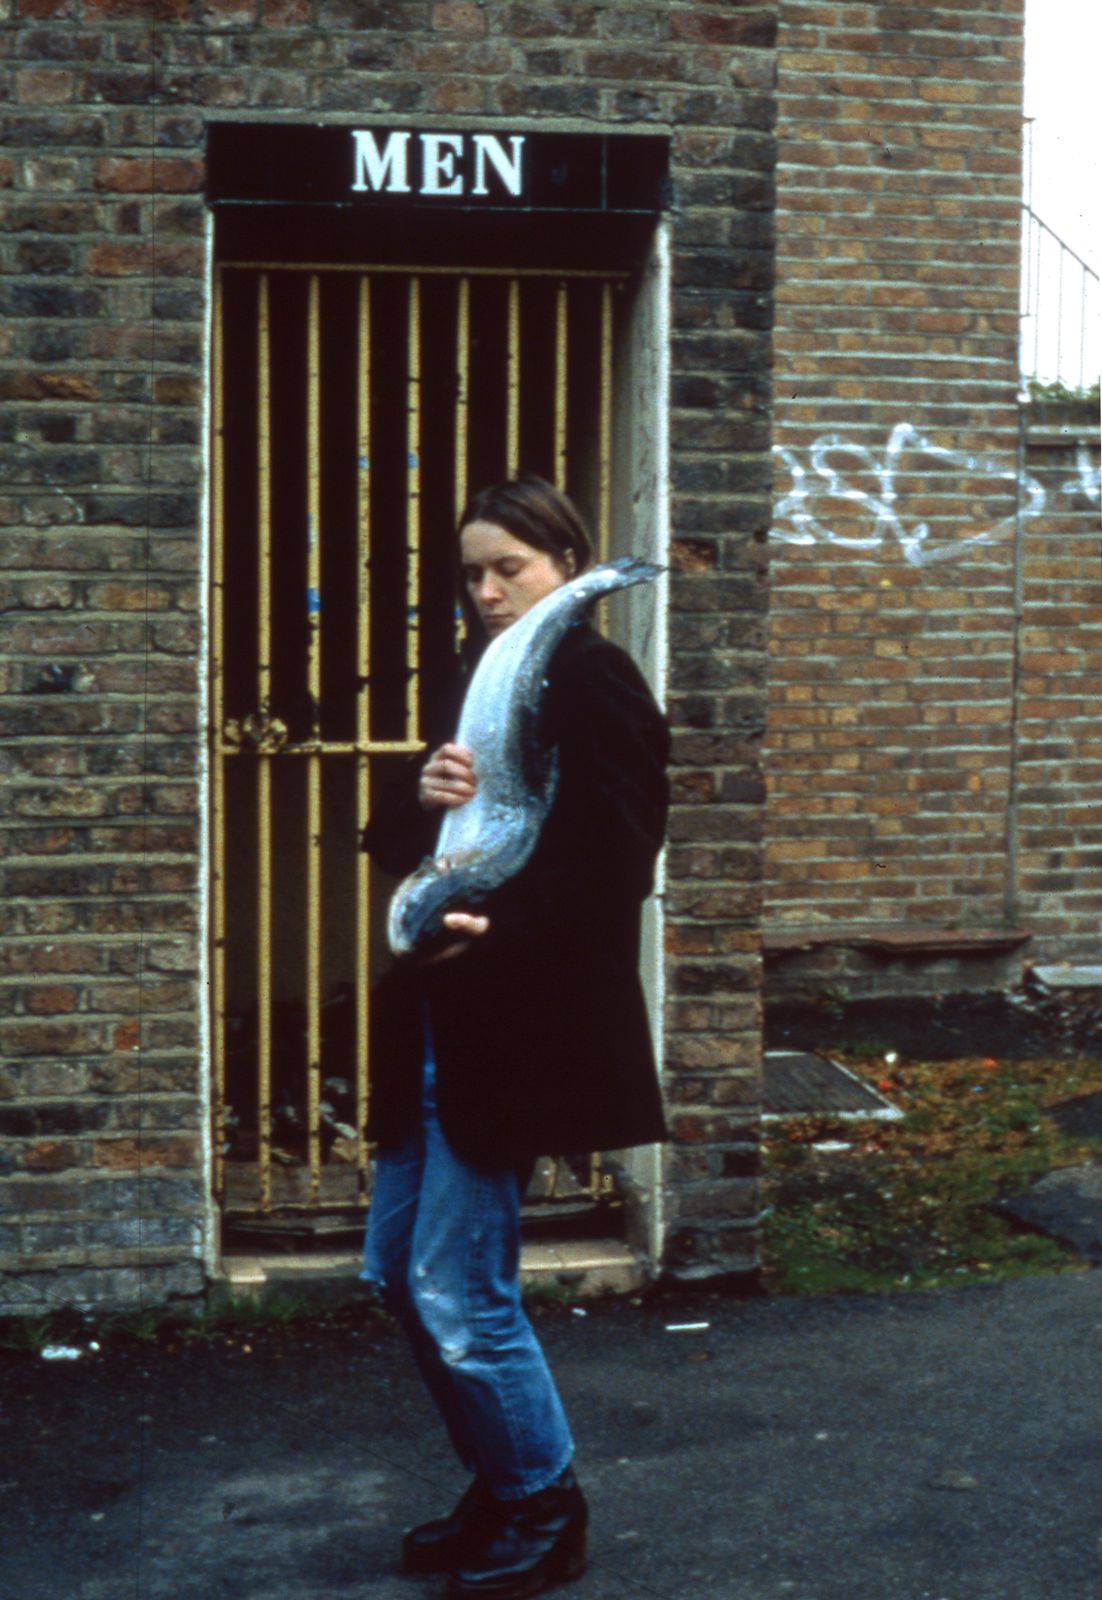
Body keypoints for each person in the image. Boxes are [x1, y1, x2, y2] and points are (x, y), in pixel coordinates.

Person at [360, 474, 669, 1600]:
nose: (488, 592)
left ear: (565, 564)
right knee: (396, 1268)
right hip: (438, 1017)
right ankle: (501, 1482)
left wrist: (488, 935)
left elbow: (619, 858)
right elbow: (408, 843)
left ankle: (545, 1504)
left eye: (510, 569)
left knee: (457, 1284)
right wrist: (419, 787)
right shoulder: (481, 671)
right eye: (472, 573)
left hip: (517, 1022)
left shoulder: (592, 675)